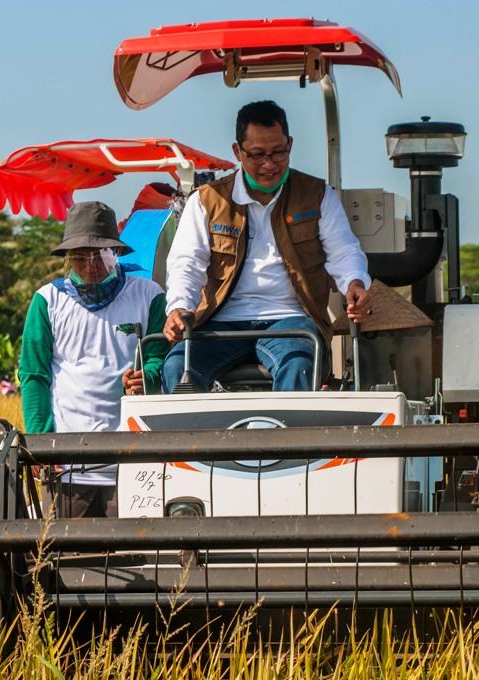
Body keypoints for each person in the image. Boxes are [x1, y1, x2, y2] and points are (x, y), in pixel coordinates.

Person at [162, 100, 373, 393]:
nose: (270, 164)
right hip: (219, 322)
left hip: (292, 321)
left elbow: (344, 251)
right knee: (175, 366)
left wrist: (354, 282)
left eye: (279, 152)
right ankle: (193, 439)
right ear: (238, 152)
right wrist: (180, 307)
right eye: (258, 155)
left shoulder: (318, 195)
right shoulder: (206, 200)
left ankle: (285, 438)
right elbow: (187, 262)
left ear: (290, 144)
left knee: (298, 361)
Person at [20, 201, 167, 518]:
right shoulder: (48, 301)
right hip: (69, 461)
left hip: (132, 460)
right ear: (68, 259)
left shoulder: (148, 295)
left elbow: (159, 359)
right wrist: (42, 444)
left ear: (116, 253)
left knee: (138, 557)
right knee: (68, 557)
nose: (90, 264)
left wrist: (149, 377)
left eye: (100, 253)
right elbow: (34, 376)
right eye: (80, 256)